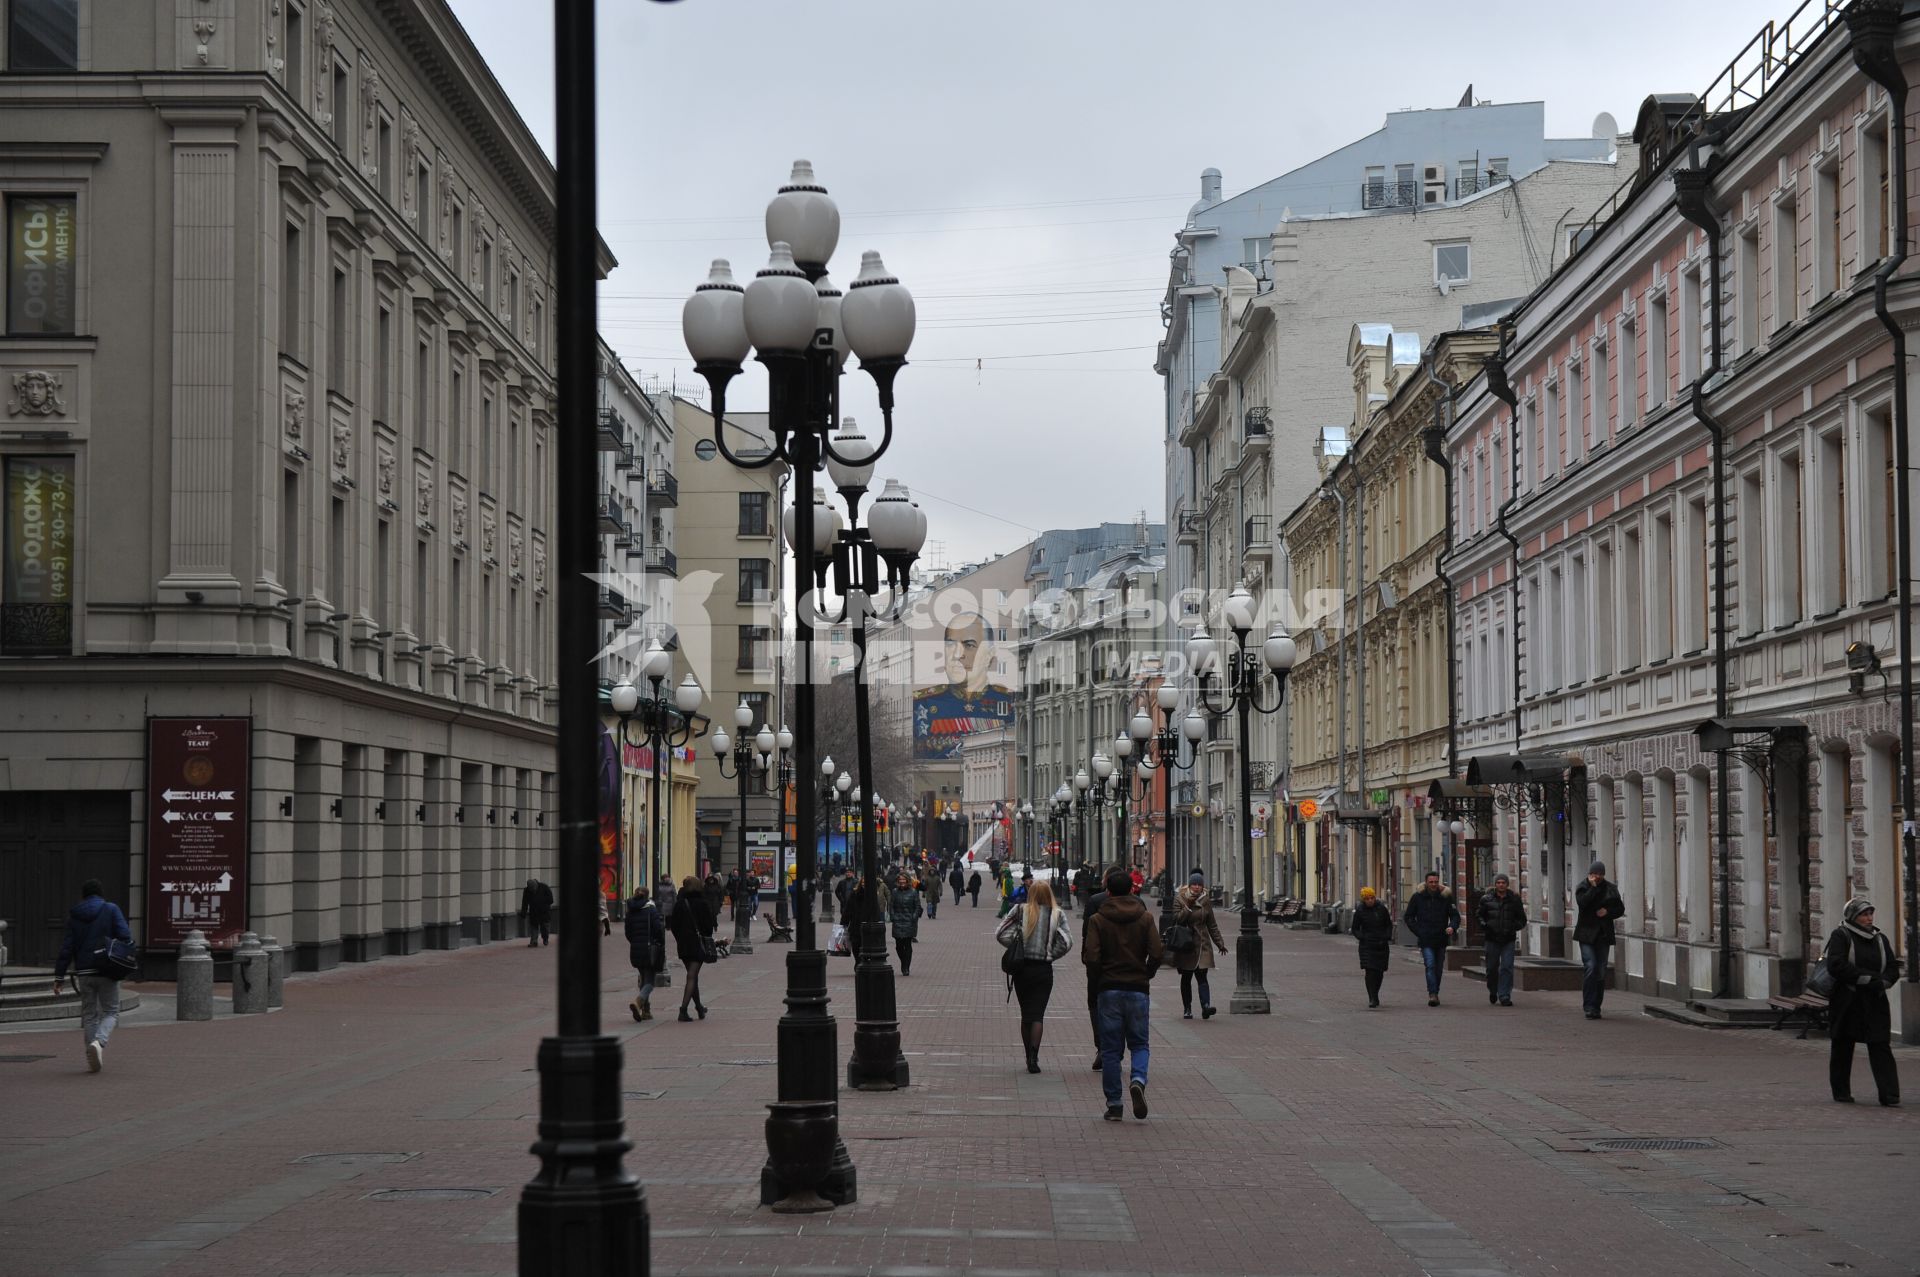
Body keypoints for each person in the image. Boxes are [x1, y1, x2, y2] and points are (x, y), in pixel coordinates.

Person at [1084, 868, 1164, 1122]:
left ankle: (1115, 1104)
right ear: (1132, 890)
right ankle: (1138, 1079)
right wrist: (1146, 973)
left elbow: (1092, 956)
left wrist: (1099, 980)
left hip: (1109, 989)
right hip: (1137, 989)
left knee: (1111, 1050)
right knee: (1139, 1043)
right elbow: (1158, 952)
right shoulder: (1145, 918)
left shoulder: (1098, 919)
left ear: (1107, 891)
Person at [1824, 897, 1901, 1105]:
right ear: (1852, 917)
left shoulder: (1880, 939)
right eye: (1863, 914)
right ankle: (1841, 1092)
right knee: (1842, 1045)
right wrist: (1868, 979)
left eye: (1870, 913)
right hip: (1847, 1000)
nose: (1868, 918)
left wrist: (1885, 982)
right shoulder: (1841, 935)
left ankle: (1890, 1095)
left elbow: (1893, 967)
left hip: (1875, 1000)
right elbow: (1837, 965)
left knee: (1880, 1045)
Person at [51, 879, 131, 1073]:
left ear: (84, 896)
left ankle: (91, 1054)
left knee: (89, 1014)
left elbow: (66, 948)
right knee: (111, 1011)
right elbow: (125, 936)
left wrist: (59, 977)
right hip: (107, 969)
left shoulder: (75, 916)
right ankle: (99, 1043)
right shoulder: (111, 909)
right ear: (101, 894)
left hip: (84, 971)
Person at [995, 879, 1073, 1072]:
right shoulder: (1057, 914)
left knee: (1026, 1015)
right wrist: (1050, 954)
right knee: (1037, 1014)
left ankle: (1027, 1055)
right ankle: (1034, 1057)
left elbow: (1001, 933)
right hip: (1043, 970)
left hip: (1022, 969)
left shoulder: (1020, 911)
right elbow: (1066, 941)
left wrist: (1016, 946)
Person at [1172, 871, 1229, 1019]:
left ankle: (1206, 1006)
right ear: (1189, 886)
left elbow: (1212, 924)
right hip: (1186, 945)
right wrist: (1188, 907)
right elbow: (1177, 920)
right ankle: (1187, 1008)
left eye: (1199, 885)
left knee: (1202, 976)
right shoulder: (1180, 899)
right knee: (1186, 977)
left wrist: (1220, 943)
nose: (1197, 887)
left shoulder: (1205, 901)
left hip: (1203, 944)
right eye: (1194, 884)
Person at [1573, 861, 1625, 1019]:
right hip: (1586, 934)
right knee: (1591, 966)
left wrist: (1607, 912)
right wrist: (1593, 887)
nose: (1597, 877)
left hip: (1603, 934)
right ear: (1590, 874)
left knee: (1601, 971)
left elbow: (1620, 909)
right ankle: (1588, 1005)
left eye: (1600, 874)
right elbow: (1582, 903)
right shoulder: (1582, 887)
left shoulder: (1611, 888)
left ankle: (1596, 1006)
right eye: (1594, 874)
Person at [1403, 871, 1460, 1007]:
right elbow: (1409, 917)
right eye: (1431, 882)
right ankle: (1432, 994)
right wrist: (1419, 931)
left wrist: (1452, 927)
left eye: (1436, 882)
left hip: (1441, 938)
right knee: (1430, 965)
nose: (1434, 884)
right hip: (1426, 938)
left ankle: (1436, 991)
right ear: (1426, 882)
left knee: (1438, 968)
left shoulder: (1446, 897)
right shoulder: (1418, 897)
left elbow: (1455, 916)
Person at [1079, 865, 1113, 1071]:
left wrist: (1087, 958)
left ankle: (1101, 1045)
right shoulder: (1138, 904)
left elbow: (1086, 933)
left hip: (1098, 965)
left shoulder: (1095, 901)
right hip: (1127, 967)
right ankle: (1115, 1048)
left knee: (1096, 1004)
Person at [668, 874, 715, 1021]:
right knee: (692, 976)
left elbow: (673, 926)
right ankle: (683, 1010)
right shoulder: (702, 903)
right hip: (697, 943)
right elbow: (708, 926)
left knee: (692, 975)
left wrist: (680, 938)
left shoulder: (680, 903)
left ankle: (699, 1007)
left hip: (683, 943)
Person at [1477, 874, 1526, 1007]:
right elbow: (1479, 915)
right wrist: (1485, 925)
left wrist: (1513, 927)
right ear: (1495, 884)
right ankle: (1493, 990)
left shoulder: (1514, 899)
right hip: (1492, 938)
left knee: (1507, 967)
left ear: (1507, 884)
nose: (1501, 885)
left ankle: (1504, 995)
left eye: (1503, 882)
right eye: (1498, 882)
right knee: (1492, 968)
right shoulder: (1486, 899)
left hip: (1508, 939)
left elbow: (1522, 919)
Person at [624, 884, 665, 1022]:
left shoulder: (630, 910)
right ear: (647, 896)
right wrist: (659, 942)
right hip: (650, 949)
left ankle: (646, 1011)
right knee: (650, 981)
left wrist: (635, 941)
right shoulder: (651, 909)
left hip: (636, 948)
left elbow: (628, 932)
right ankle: (638, 1001)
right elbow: (658, 929)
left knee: (643, 977)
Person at [1352, 886, 1394, 1008]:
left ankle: (1375, 993)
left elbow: (1388, 924)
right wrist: (1362, 937)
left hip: (1381, 944)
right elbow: (1355, 928)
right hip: (1367, 945)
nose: (1370, 900)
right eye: (1367, 899)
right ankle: (1372, 997)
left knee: (1379, 971)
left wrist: (1387, 936)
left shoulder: (1382, 909)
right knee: (1370, 970)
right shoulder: (1360, 911)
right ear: (1363, 900)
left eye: (1372, 898)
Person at [888, 870, 923, 975]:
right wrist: (892, 916)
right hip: (897, 921)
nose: (902, 881)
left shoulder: (913, 892)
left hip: (909, 921)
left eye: (903, 879)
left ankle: (906, 967)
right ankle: (904, 962)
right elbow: (891, 905)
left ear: (907, 880)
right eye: (900, 880)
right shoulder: (894, 891)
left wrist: (914, 917)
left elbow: (917, 906)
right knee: (898, 946)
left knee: (907, 945)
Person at [520, 877, 554, 947]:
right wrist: (523, 913)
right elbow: (525, 902)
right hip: (533, 911)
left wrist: (543, 904)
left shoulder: (544, 887)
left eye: (533, 889)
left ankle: (545, 939)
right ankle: (534, 941)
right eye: (531, 889)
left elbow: (551, 900)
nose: (533, 891)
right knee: (533, 926)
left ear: (536, 885)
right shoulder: (526, 891)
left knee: (544, 927)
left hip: (544, 911)